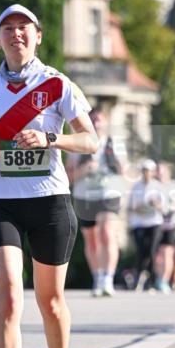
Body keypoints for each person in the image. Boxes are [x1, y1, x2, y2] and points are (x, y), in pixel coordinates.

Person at [0, 3, 98, 348]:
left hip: (49, 202)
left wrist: (49, 138)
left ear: (38, 35)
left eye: (24, 28)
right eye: (8, 28)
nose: (16, 34)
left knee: (51, 300)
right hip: (1, 199)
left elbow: (91, 140)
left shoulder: (58, 84)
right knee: (8, 296)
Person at [68, 107, 125, 296]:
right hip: (85, 196)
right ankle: (98, 276)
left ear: (106, 123)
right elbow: (69, 175)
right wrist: (84, 170)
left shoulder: (115, 143)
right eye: (93, 120)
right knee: (91, 240)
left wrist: (112, 163)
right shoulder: (77, 145)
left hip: (109, 194)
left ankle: (108, 277)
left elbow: (125, 171)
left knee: (107, 233)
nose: (97, 123)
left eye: (100, 120)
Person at [127, 159, 165, 292]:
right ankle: (140, 277)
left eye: (148, 171)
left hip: (154, 222)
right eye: (144, 170)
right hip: (139, 223)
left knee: (152, 251)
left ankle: (151, 280)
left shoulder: (158, 186)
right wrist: (140, 208)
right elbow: (131, 207)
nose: (146, 173)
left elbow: (164, 207)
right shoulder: (136, 187)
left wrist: (155, 204)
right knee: (141, 252)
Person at [153, 161, 175, 293]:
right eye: (158, 171)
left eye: (162, 171)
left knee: (167, 252)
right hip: (155, 225)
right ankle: (158, 277)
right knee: (157, 255)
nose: (160, 173)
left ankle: (164, 280)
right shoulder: (153, 186)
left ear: (168, 172)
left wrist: (165, 208)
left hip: (171, 224)